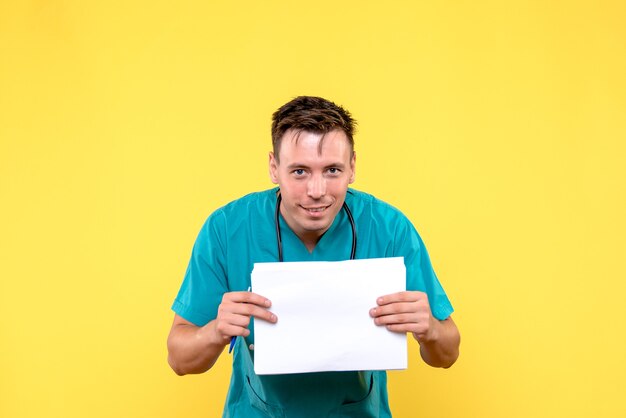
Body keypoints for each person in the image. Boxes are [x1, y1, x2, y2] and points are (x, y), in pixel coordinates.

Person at [167, 96, 460, 417]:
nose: (317, 190)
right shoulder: (226, 229)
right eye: (300, 171)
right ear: (273, 168)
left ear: (352, 168)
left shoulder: (389, 229)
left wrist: (429, 329)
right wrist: (216, 330)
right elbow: (179, 360)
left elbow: (447, 354)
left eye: (332, 170)